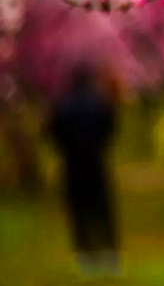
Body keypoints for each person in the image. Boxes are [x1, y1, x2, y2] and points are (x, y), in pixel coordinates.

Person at [49, 64, 119, 278]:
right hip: (96, 164)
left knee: (78, 213)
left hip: (72, 166)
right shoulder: (98, 105)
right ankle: (110, 255)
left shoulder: (63, 106)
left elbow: (52, 131)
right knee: (103, 211)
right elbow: (110, 126)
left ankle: (85, 258)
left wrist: (67, 149)